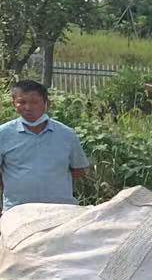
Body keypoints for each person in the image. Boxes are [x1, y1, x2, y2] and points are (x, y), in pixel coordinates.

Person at [1, 80, 90, 211]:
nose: (28, 107)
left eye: (34, 102)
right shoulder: (3, 134)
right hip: (18, 211)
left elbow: (78, 170)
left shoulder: (66, 134)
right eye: (22, 102)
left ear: (47, 103)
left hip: (62, 210)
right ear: (13, 104)